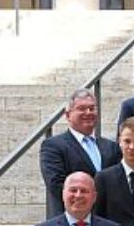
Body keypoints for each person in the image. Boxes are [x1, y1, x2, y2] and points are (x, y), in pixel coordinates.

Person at [40, 89, 121, 217]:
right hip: (69, 222)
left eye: (92, 108)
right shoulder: (53, 146)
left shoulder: (111, 147)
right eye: (82, 108)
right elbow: (56, 185)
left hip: (105, 223)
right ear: (68, 115)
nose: (88, 113)